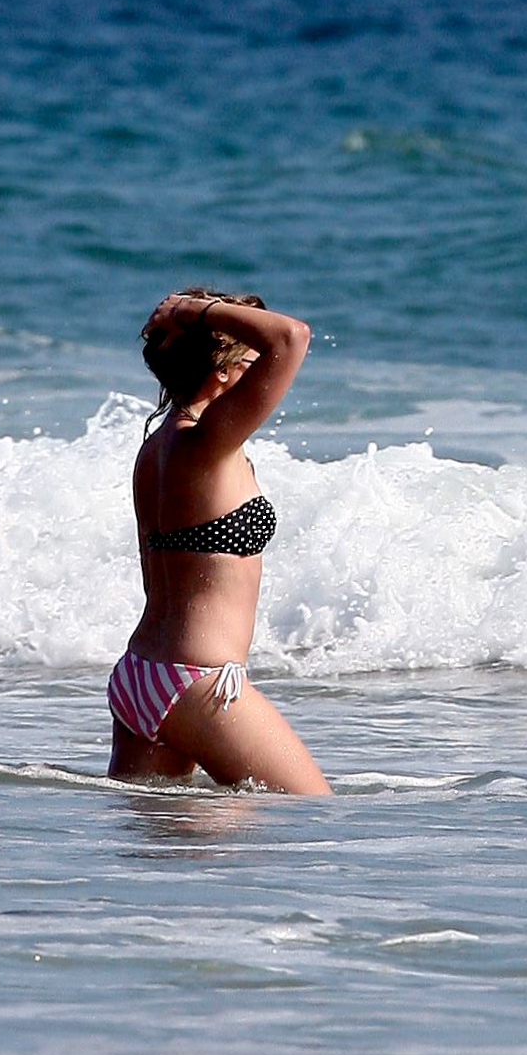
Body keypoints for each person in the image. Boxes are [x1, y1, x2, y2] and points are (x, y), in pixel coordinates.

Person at [105, 288, 331, 794]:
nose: (262, 376)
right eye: (251, 362)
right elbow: (292, 337)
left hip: (141, 676)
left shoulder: (157, 449)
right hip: (198, 681)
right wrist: (193, 311)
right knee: (315, 813)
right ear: (222, 372)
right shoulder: (206, 443)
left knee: (180, 837)